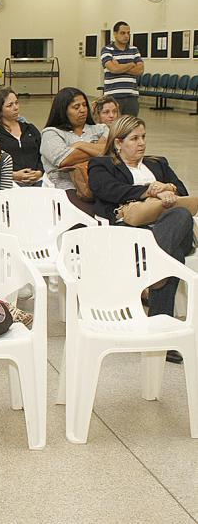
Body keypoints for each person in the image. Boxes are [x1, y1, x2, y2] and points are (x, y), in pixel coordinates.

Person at [89, 115, 193, 364]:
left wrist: (168, 189)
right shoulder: (102, 165)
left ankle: (153, 270)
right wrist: (149, 191)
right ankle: (160, 335)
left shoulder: (158, 163)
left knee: (180, 214)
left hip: (167, 227)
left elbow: (183, 191)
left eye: (143, 137)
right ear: (118, 143)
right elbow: (109, 191)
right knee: (174, 255)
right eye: (134, 138)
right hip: (131, 230)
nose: (141, 143)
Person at [41, 87, 108, 215]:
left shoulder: (101, 128)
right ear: (63, 111)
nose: (82, 110)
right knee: (89, 215)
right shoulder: (51, 133)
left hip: (101, 183)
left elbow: (112, 149)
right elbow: (64, 160)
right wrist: (97, 148)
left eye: (84, 105)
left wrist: (80, 145)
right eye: (76, 107)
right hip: (67, 186)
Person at [0, 87, 43, 187]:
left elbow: (42, 155)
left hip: (37, 181)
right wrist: (13, 175)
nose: (15, 108)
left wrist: (39, 172)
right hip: (8, 183)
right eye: (10, 105)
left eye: (16, 103)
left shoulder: (30, 129)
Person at [101, 21, 144, 116]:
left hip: (131, 97)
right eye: (123, 33)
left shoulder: (134, 50)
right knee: (114, 124)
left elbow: (140, 70)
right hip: (113, 97)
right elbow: (113, 69)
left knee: (130, 125)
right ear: (115, 34)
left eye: (128, 33)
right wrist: (131, 64)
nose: (126, 36)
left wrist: (119, 66)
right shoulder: (107, 50)